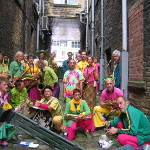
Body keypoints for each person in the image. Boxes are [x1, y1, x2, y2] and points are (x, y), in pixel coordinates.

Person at [0, 77, 17, 147]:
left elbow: (7, 107)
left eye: (7, 85)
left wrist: (15, 109)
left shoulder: (6, 95)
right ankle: (2, 138)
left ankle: (4, 137)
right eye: (4, 85)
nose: (7, 86)